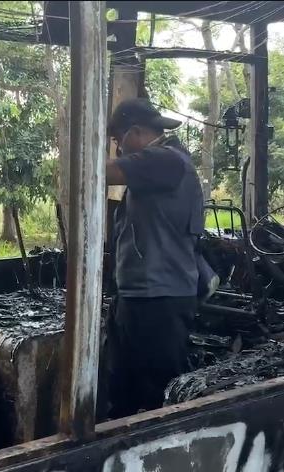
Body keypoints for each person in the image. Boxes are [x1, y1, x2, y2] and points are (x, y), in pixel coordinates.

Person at [105, 98, 205, 416]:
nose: (119, 149)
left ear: (134, 132)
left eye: (118, 140)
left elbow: (99, 172)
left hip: (159, 303)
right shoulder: (156, 169)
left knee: (154, 402)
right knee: (122, 394)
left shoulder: (165, 161)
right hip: (139, 298)